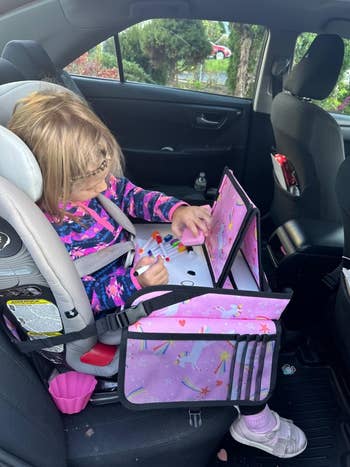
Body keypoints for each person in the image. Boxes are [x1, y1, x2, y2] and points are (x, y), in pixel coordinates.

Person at [7, 90, 307, 459]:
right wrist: (133, 284)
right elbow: (78, 298)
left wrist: (175, 209)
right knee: (224, 328)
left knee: (229, 292)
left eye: (104, 173)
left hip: (134, 270)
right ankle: (253, 419)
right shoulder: (49, 231)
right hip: (112, 316)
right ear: (49, 177)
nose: (103, 187)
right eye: (90, 182)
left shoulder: (89, 187)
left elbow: (129, 195)